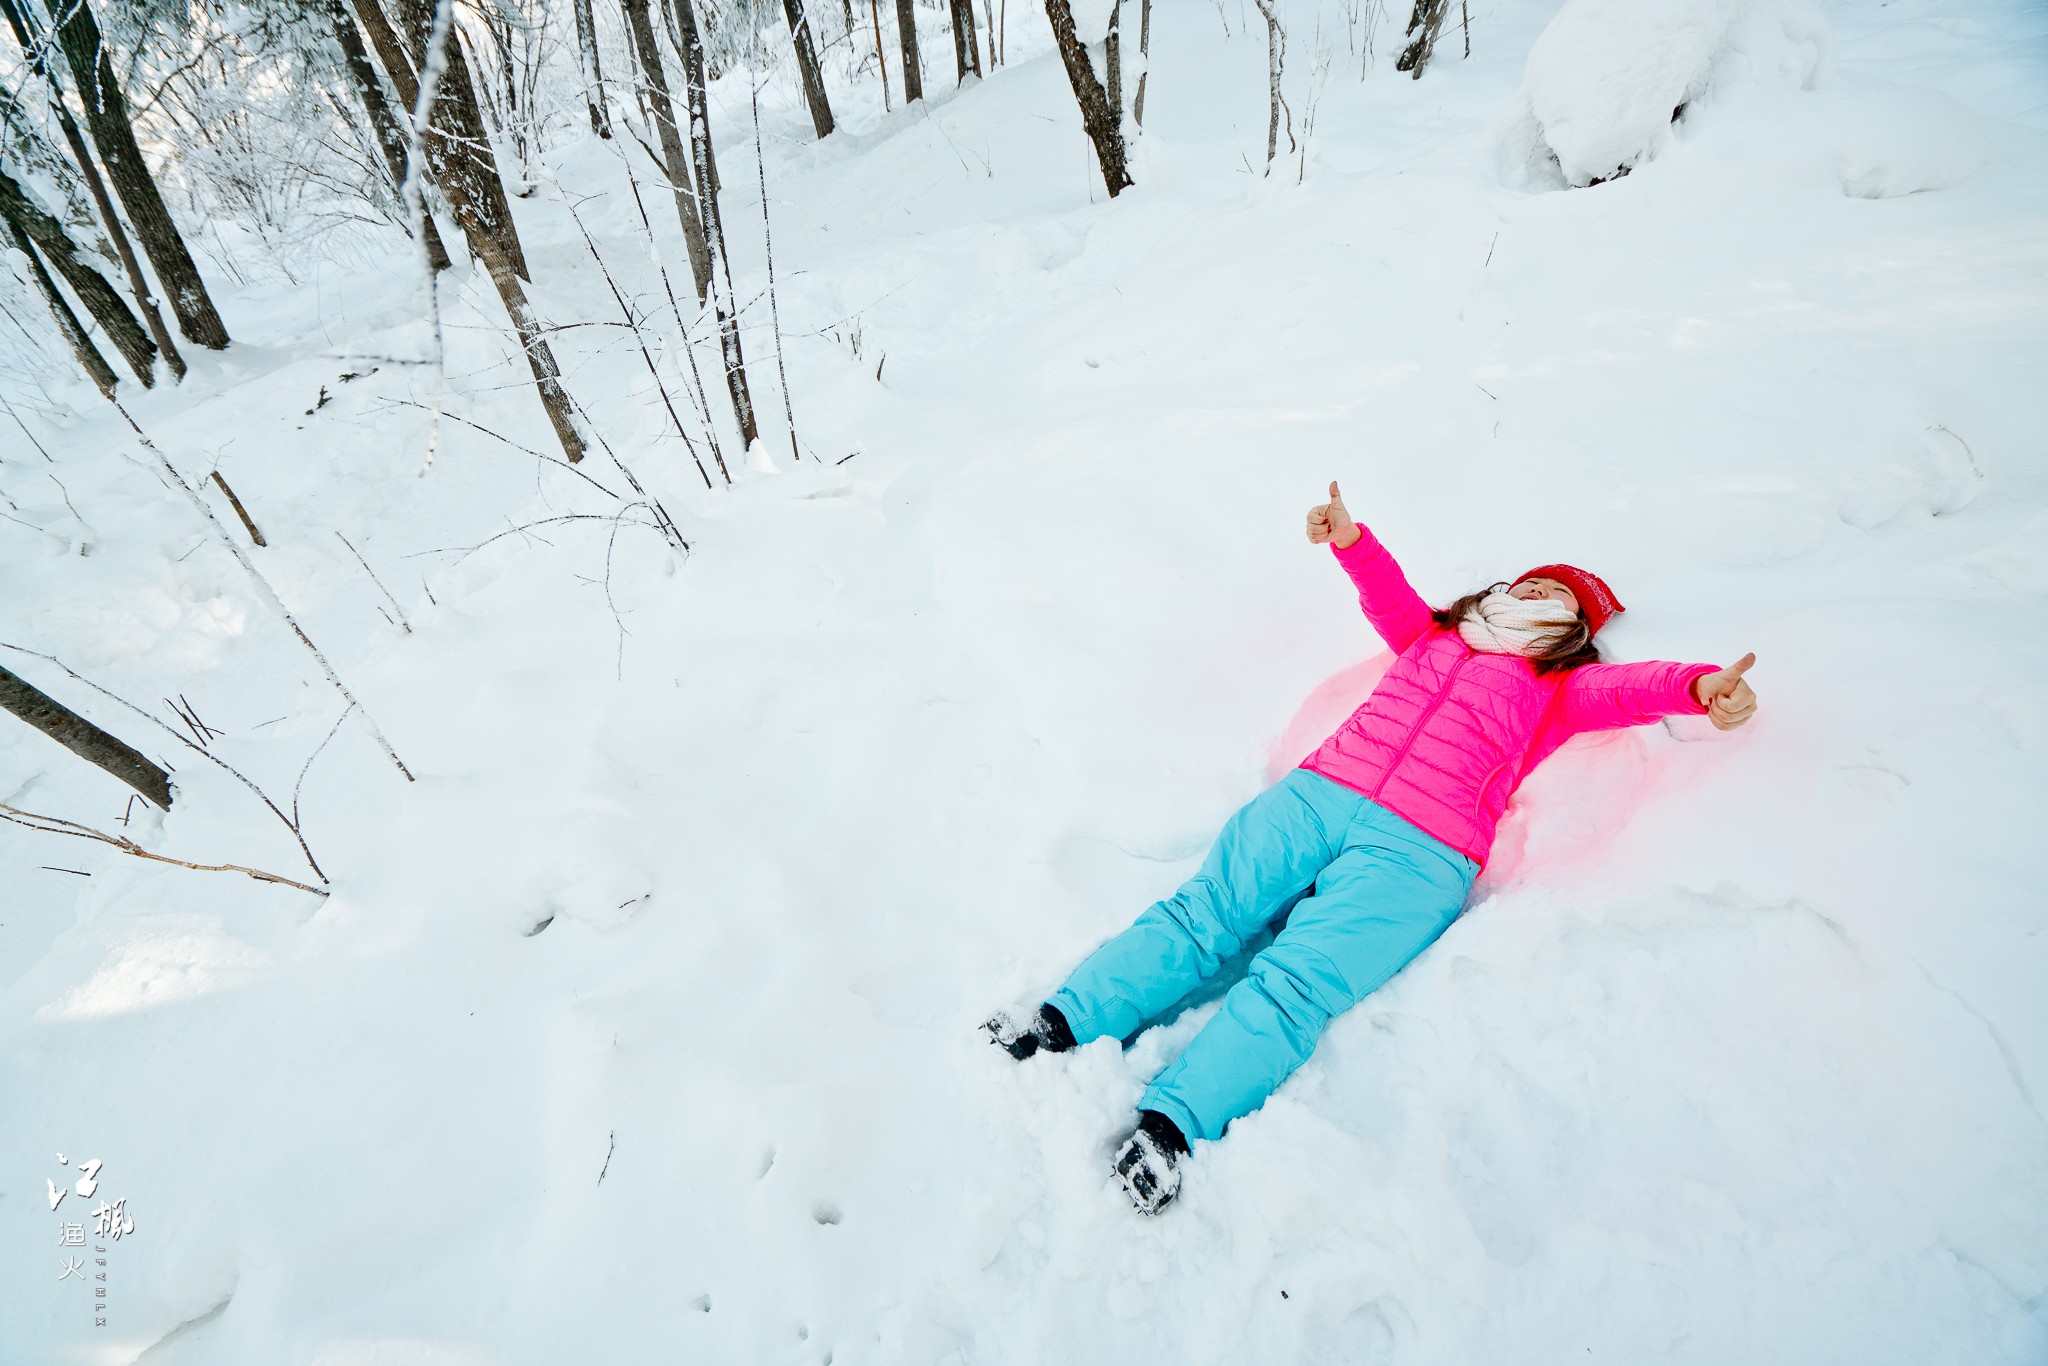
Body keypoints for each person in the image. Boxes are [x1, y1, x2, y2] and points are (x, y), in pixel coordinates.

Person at [988, 481, 1758, 1213]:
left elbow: (1633, 690)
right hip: (1321, 793)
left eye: (1558, 598)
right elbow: (1385, 594)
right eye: (1531, 583)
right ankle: (1062, 1021)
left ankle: (1172, 1128)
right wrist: (1351, 541)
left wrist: (1701, 688)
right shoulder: (1432, 636)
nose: (1536, 595)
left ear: (1576, 632)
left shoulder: (1558, 689)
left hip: (1421, 852)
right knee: (1204, 916)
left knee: (1296, 986)